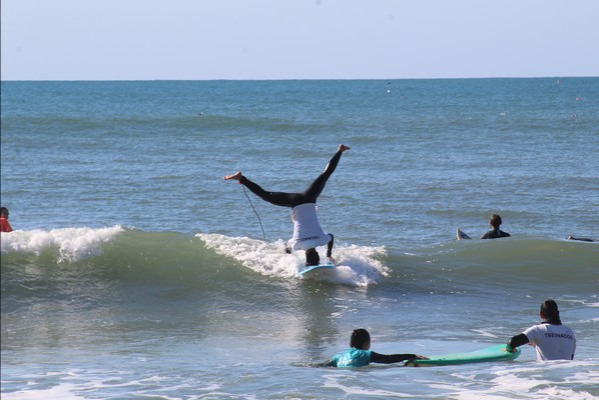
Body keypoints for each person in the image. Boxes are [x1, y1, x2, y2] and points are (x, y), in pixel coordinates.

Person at [224, 144, 350, 266]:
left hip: (309, 198)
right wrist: (288, 257)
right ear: (306, 257)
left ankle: (340, 150)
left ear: (317, 254)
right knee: (266, 196)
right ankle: (242, 178)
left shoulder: (321, 240)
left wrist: (328, 253)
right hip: (295, 203)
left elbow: (331, 237)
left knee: (324, 175)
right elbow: (287, 246)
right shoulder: (297, 245)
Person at [507, 299, 576, 361]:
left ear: (541, 315)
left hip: (547, 373)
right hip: (567, 374)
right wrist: (541, 343)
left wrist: (511, 350)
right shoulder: (570, 332)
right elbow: (570, 358)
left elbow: (512, 342)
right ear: (558, 313)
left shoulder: (538, 330)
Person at [324, 329, 427, 368]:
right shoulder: (366, 354)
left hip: (340, 378)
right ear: (366, 343)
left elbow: (323, 365)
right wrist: (412, 355)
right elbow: (388, 359)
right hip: (355, 376)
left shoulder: (338, 356)